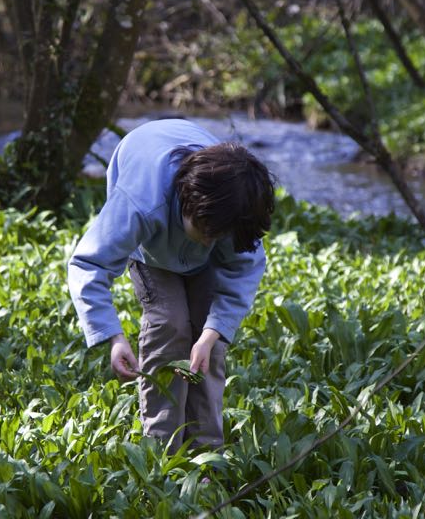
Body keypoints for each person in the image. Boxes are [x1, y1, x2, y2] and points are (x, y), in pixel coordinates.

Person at [67, 118, 275, 451]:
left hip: (202, 221)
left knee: (210, 345)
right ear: (190, 202)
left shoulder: (233, 210)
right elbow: (88, 263)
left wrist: (209, 335)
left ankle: (205, 452)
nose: (210, 242)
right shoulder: (140, 203)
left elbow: (243, 269)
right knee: (170, 324)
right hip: (150, 249)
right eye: (206, 232)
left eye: (218, 236)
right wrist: (114, 337)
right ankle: (162, 449)